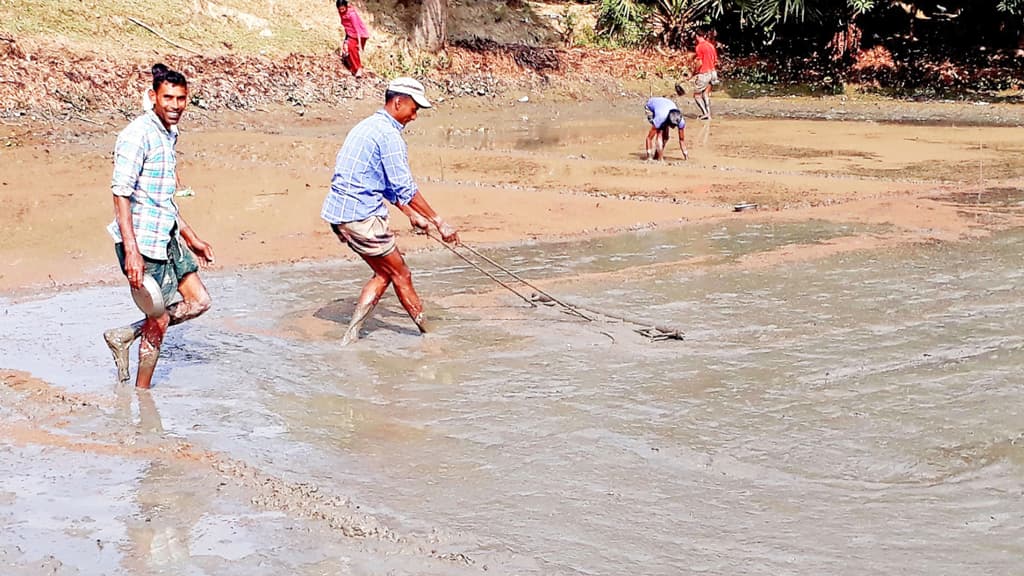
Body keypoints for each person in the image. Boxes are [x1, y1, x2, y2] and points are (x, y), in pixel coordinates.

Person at [321, 77, 459, 345]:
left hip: (340, 215)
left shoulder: (367, 126)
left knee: (384, 273)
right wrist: (439, 221)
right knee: (401, 274)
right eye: (414, 109)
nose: (415, 116)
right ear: (398, 102)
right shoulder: (388, 135)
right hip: (361, 216)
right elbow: (404, 186)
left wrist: (411, 214)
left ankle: (350, 337)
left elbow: (379, 181)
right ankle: (429, 336)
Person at [103, 64, 214, 389]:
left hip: (166, 234)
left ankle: (125, 334)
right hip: (143, 244)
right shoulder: (138, 135)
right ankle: (142, 395)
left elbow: (159, 196)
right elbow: (121, 193)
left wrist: (189, 235)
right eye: (168, 97)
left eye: (181, 98)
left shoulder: (168, 132)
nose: (175, 105)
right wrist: (132, 253)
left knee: (199, 302)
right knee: (160, 319)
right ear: (153, 97)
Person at [644, 95, 688, 161]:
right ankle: (660, 158)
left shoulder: (680, 121)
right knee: (660, 132)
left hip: (666, 105)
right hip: (651, 106)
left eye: (674, 126)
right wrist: (649, 157)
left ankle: (657, 155)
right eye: (671, 125)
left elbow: (681, 140)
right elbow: (649, 138)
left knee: (666, 137)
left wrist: (686, 157)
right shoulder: (660, 118)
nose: (673, 128)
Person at [336, 0, 370, 78]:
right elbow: (347, 28)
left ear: (346, 7)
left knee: (351, 48)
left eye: (343, 9)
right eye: (340, 9)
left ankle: (358, 69)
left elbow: (357, 29)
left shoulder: (352, 15)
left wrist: (360, 44)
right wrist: (345, 41)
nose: (341, 11)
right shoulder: (341, 13)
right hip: (350, 34)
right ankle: (352, 69)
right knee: (345, 51)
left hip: (360, 35)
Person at [692, 30, 719, 120]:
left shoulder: (699, 47)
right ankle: (708, 113)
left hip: (704, 73)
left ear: (697, 36)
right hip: (713, 73)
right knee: (706, 94)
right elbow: (715, 60)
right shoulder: (711, 46)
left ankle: (705, 113)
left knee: (696, 95)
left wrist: (694, 72)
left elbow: (699, 62)